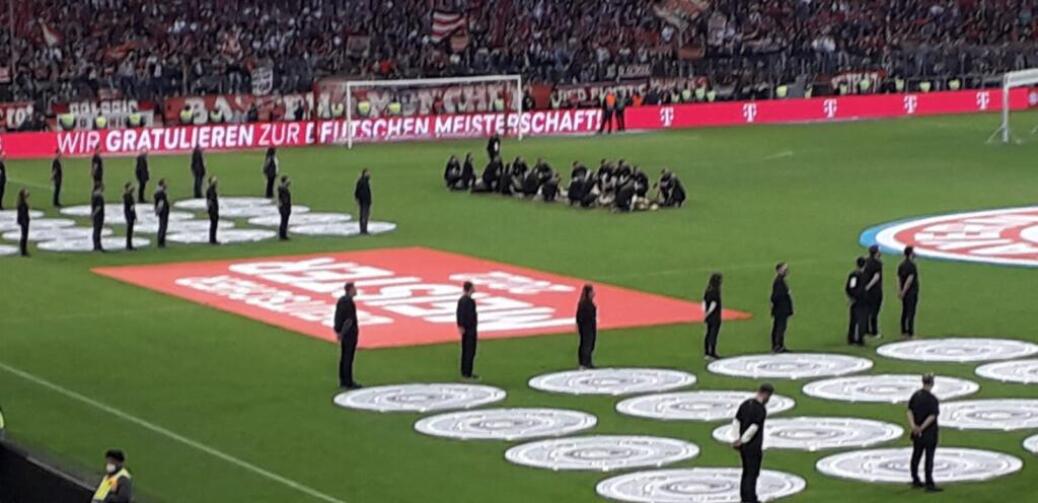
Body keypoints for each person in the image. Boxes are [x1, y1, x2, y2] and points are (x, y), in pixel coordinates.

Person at [732, 383, 774, 503]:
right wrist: (743, 440)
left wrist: (736, 439)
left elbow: (736, 421)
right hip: (753, 446)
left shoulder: (745, 404)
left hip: (743, 447)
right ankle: (750, 499)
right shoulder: (760, 409)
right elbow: (754, 427)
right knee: (752, 473)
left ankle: (745, 498)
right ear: (766, 394)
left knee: (746, 472)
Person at [907, 374, 942, 492]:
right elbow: (932, 416)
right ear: (932, 383)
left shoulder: (916, 396)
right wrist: (922, 428)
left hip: (917, 432)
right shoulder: (932, 399)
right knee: (929, 458)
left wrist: (914, 427)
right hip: (929, 433)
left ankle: (915, 479)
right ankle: (929, 483)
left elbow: (909, 411)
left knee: (916, 455)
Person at [333, 282, 362, 389]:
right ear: (350, 289)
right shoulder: (349, 302)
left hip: (344, 333)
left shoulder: (341, 300)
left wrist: (338, 331)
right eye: (354, 288)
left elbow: (338, 317)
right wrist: (342, 333)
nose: (356, 290)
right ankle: (348, 381)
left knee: (344, 357)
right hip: (349, 334)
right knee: (348, 358)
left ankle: (343, 380)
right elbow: (349, 320)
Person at [456, 281, 479, 379]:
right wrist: (461, 326)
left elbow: (459, 314)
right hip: (469, 329)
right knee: (469, 351)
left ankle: (465, 371)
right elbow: (462, 314)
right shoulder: (468, 301)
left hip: (467, 329)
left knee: (466, 350)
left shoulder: (463, 300)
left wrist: (460, 326)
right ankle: (467, 372)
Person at [770, 263, 793, 353]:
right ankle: (777, 345)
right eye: (784, 269)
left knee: (779, 327)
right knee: (780, 327)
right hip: (781, 310)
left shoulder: (780, 281)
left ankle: (779, 345)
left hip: (780, 309)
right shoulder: (779, 282)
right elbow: (775, 297)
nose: (786, 271)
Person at [898, 246, 920, 337]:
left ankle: (903, 329)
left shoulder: (901, 265)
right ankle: (910, 331)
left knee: (904, 310)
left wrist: (900, 290)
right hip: (911, 291)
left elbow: (899, 278)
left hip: (904, 291)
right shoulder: (912, 266)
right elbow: (909, 280)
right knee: (911, 311)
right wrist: (904, 291)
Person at [846, 256, 868, 346]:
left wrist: (851, 297)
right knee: (861, 319)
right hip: (861, 300)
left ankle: (851, 338)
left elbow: (850, 287)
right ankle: (859, 339)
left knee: (853, 319)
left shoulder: (853, 275)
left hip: (855, 300)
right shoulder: (862, 275)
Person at [864, 245, 884, 337]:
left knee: (867, 310)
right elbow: (876, 277)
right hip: (875, 290)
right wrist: (869, 286)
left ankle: (866, 329)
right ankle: (874, 331)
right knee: (874, 312)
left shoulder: (866, 261)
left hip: (867, 291)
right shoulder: (878, 263)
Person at [576, 284, 597, 369]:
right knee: (587, 345)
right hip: (587, 327)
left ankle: (584, 362)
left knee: (585, 344)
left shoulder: (583, 303)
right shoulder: (587, 304)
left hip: (586, 327)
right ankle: (586, 362)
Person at [703, 273, 723, 359]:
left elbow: (704, 302)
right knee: (713, 335)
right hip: (715, 316)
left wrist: (705, 313)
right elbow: (714, 304)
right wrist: (709, 313)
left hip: (708, 317)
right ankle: (712, 352)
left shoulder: (707, 290)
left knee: (708, 333)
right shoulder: (715, 291)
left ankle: (707, 352)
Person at [355, 169, 372, 234]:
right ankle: (363, 230)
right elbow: (358, 192)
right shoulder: (363, 182)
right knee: (364, 215)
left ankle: (364, 229)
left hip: (364, 201)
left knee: (364, 215)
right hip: (364, 201)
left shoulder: (364, 181)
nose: (369, 174)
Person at [154, 179, 169, 248]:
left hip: (161, 211)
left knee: (162, 225)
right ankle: (161, 242)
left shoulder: (158, 192)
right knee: (163, 226)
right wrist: (158, 211)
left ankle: (161, 241)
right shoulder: (161, 193)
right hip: (163, 211)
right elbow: (161, 203)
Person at [91, 184, 106, 252]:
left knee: (96, 230)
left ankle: (97, 246)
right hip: (99, 216)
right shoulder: (99, 197)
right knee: (97, 231)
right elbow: (98, 207)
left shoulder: (93, 195)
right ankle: (97, 246)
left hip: (96, 216)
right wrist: (94, 214)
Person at [277, 176, 291, 240]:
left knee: (284, 221)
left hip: (283, 207)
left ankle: (283, 234)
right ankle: (283, 235)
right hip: (284, 208)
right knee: (284, 221)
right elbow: (285, 200)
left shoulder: (282, 188)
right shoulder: (284, 189)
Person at [205, 176, 219, 244]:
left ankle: (213, 239)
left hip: (213, 209)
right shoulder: (211, 190)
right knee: (213, 225)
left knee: (214, 225)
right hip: (213, 210)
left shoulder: (211, 189)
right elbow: (210, 201)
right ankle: (212, 240)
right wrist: (212, 210)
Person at [16, 188, 30, 256]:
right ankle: (23, 251)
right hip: (24, 221)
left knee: (24, 236)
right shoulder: (22, 203)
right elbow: (22, 213)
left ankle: (24, 250)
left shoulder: (22, 202)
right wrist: (24, 222)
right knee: (24, 236)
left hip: (24, 221)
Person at [122, 183, 136, 250]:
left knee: (130, 229)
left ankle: (129, 244)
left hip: (129, 213)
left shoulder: (129, 195)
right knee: (129, 229)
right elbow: (131, 206)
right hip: (129, 214)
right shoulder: (127, 196)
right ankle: (128, 245)